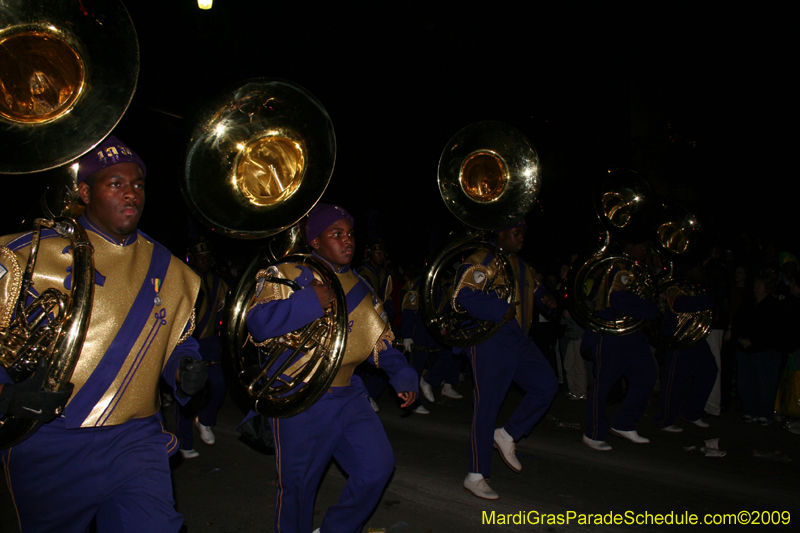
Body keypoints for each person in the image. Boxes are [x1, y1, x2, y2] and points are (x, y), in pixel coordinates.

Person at [0, 136, 206, 532]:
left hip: (136, 438)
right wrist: (6, 393)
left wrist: (182, 367)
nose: (131, 193)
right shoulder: (27, 255)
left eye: (138, 185)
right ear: (85, 191)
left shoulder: (175, 272)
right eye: (116, 184)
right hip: (52, 441)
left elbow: (178, 340)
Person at [244, 204, 418, 533]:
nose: (347, 240)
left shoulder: (362, 288)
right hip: (300, 395)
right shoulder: (288, 273)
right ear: (316, 241)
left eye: (350, 234)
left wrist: (402, 374)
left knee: (377, 468)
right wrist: (309, 301)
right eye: (336, 234)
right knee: (298, 490)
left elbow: (379, 341)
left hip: (348, 396)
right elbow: (257, 323)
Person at [454, 220, 558, 500]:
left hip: (519, 340)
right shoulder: (483, 259)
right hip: (491, 339)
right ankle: (475, 475)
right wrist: (500, 309)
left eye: (523, 232)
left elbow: (532, 288)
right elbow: (464, 295)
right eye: (516, 233)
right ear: (501, 234)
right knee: (487, 403)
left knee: (547, 384)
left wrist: (545, 298)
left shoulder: (521, 264)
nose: (521, 237)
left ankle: (508, 434)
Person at [582, 242, 659, 451]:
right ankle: (594, 433)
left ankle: (624, 423)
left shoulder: (636, 270)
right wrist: (653, 308)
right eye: (640, 244)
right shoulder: (618, 267)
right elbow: (617, 299)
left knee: (647, 376)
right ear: (628, 246)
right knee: (603, 385)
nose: (645, 249)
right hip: (611, 334)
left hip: (633, 335)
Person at [176, 240, 229, 458]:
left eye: (209, 256)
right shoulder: (180, 278)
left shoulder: (220, 284)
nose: (206, 260)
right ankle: (183, 442)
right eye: (201, 256)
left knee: (219, 384)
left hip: (208, 343)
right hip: (184, 343)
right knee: (187, 392)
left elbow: (221, 316)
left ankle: (205, 420)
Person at [652, 287, 717, 432]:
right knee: (673, 382)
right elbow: (681, 304)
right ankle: (664, 420)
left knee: (709, 371)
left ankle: (691, 412)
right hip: (678, 340)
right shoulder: (679, 288)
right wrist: (708, 299)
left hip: (694, 339)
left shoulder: (696, 289)